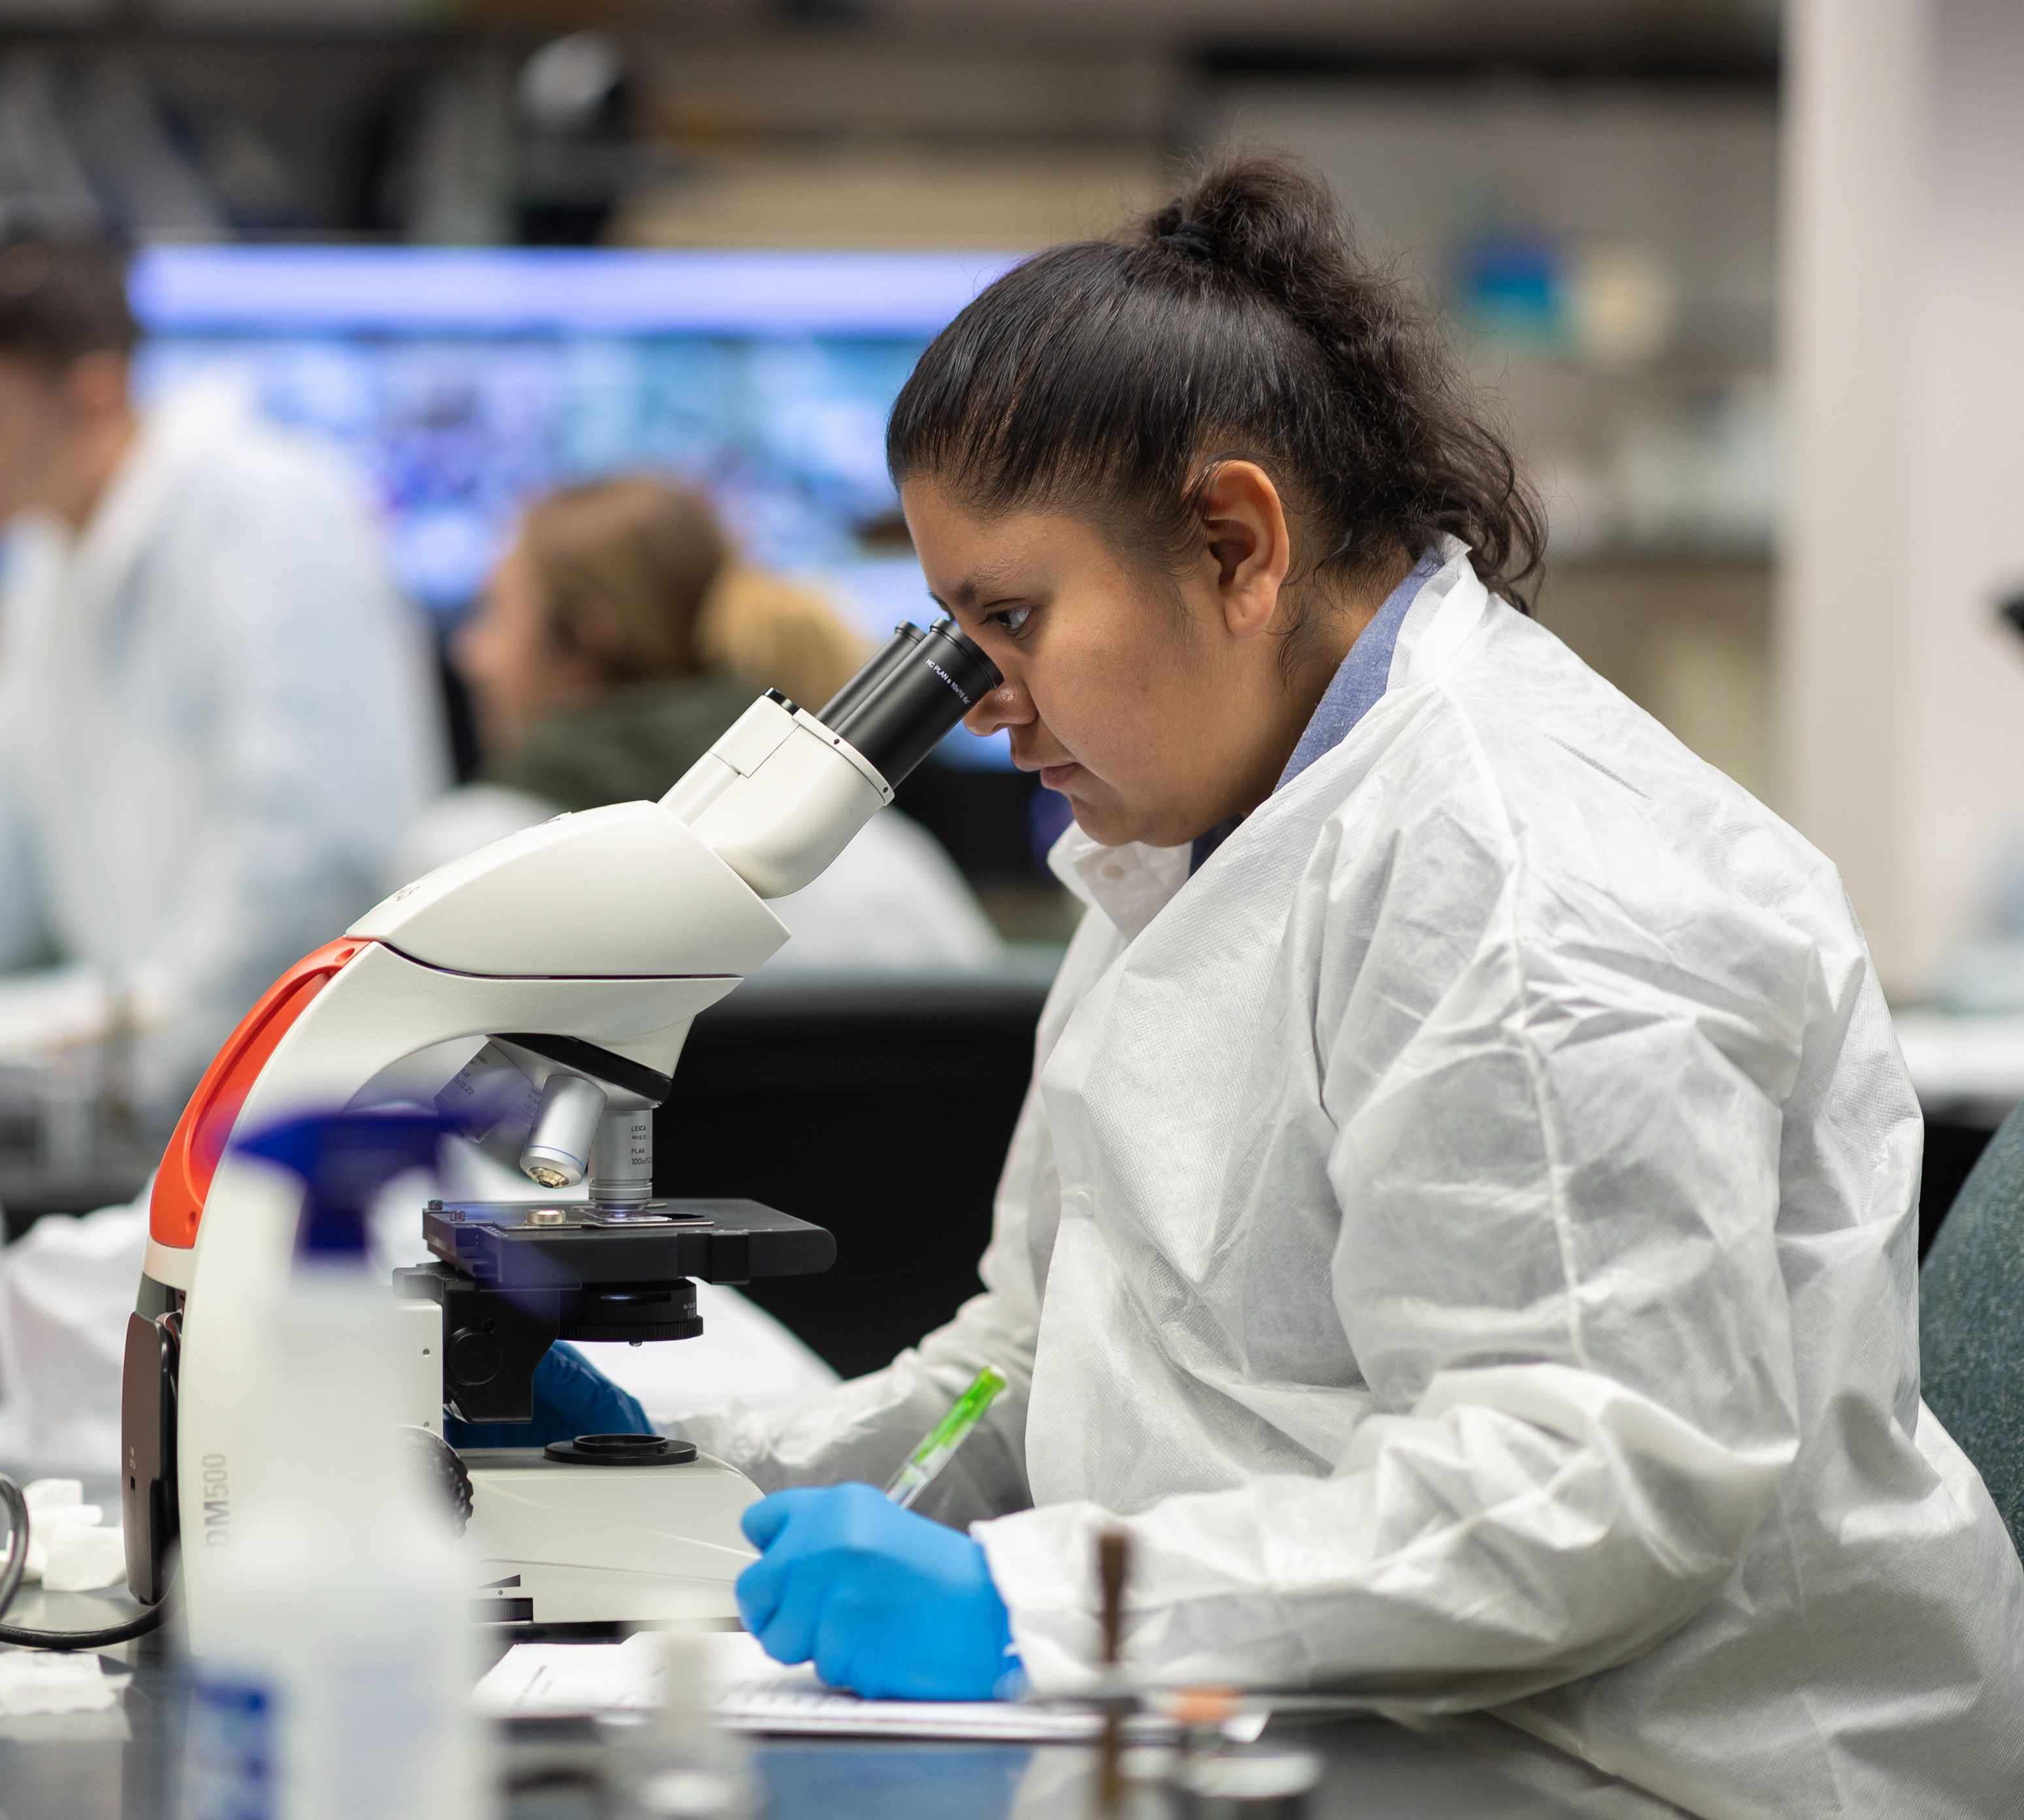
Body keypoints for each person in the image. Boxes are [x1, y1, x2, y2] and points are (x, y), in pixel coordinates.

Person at [539, 155, 2024, 1816]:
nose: (977, 701)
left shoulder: (1528, 879)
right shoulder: (1185, 840)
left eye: (1009, 618)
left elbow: (1586, 1487)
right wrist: (686, 1481)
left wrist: (1029, 1608)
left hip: (1644, 1771)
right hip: (1345, 1721)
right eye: (953, 631)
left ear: (1239, 543)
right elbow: (1033, 1368)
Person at [0, 235, 442, 1123]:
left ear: (92, 396)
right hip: (172, 1102)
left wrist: (145, 1061)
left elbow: (311, 850)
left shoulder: (262, 510)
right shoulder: (45, 570)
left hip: (304, 1114)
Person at [395, 475, 1001, 973]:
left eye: (495, 614)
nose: (472, 654)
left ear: (586, 643)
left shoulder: (460, 864)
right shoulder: (884, 869)